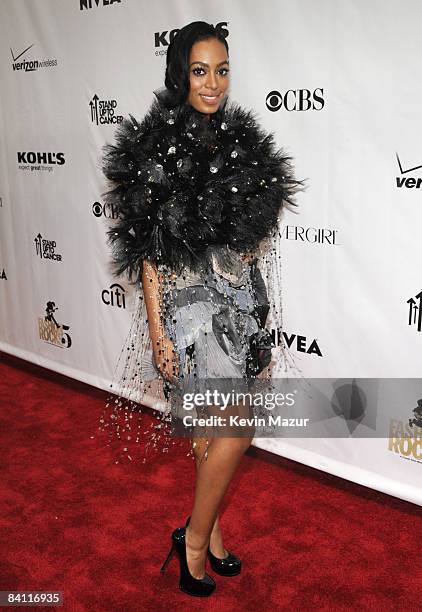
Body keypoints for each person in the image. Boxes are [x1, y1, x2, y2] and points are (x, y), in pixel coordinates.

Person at [100, 21, 302, 598]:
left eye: (221, 70)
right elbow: (145, 252)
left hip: (237, 301)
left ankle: (208, 532)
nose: (212, 83)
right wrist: (159, 331)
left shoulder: (240, 142)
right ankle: (193, 540)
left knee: (221, 433)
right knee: (228, 429)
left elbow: (249, 246)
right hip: (189, 312)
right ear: (179, 73)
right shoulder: (156, 147)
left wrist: (258, 311)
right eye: (199, 71)